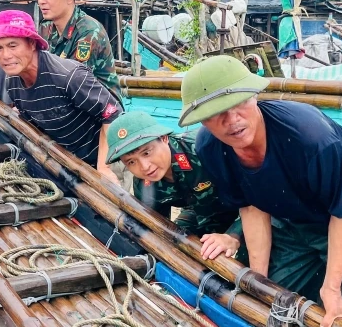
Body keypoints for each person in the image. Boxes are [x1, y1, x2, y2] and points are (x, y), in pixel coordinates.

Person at [183, 55, 342, 327]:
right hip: (297, 215)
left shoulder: (308, 135)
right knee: (274, 300)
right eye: (217, 113)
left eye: (238, 102)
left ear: (255, 96)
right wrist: (258, 282)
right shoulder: (210, 147)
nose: (233, 120)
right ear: (202, 120)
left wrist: (333, 288)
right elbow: (252, 207)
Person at [0, 10, 122, 180]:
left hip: (108, 158)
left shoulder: (69, 76)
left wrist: (103, 167)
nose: (6, 56)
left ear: (31, 44)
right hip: (72, 165)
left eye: (13, 45)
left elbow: (113, 113)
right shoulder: (13, 84)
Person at [105, 111, 246, 260]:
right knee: (174, 247)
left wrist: (233, 236)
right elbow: (158, 227)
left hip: (251, 209)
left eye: (146, 153)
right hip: (203, 211)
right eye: (131, 162)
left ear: (164, 138)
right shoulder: (144, 185)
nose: (144, 167)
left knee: (251, 271)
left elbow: (258, 197)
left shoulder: (204, 150)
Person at [28, 0, 120, 96]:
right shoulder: (45, 28)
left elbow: (73, 82)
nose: (41, 0)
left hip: (101, 109)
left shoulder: (88, 31)